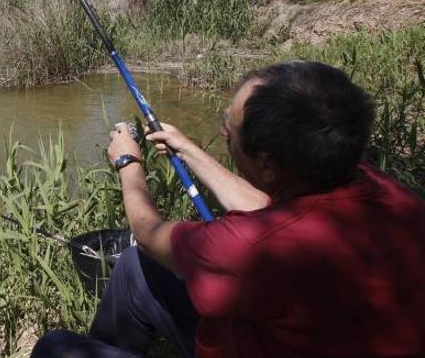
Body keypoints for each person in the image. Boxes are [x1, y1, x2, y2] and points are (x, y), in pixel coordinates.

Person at [31, 61, 425, 358]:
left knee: (56, 348)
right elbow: (268, 205)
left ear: (268, 164)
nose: (222, 131)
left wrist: (128, 164)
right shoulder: (378, 186)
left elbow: (148, 232)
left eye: (229, 130)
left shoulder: (245, 249)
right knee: (136, 267)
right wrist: (187, 148)